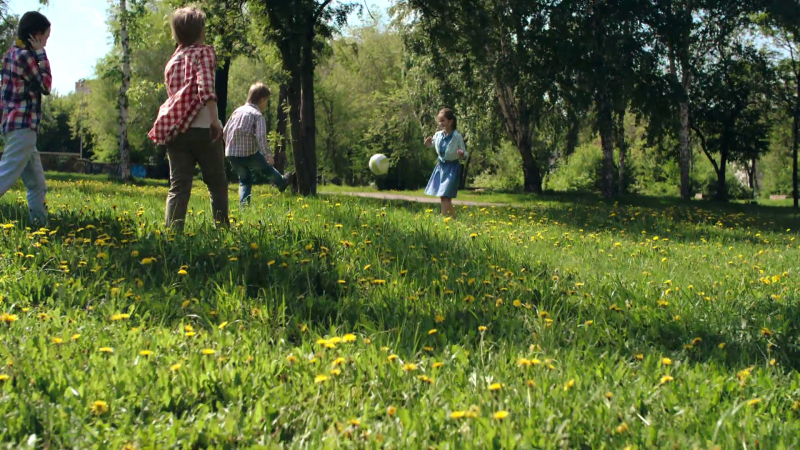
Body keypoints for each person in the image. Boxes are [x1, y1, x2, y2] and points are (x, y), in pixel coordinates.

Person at [148, 6, 228, 230]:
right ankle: (222, 229)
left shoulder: (172, 61)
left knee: (179, 186)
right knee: (216, 183)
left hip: (176, 130)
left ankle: (173, 233)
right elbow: (206, 88)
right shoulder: (204, 52)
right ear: (200, 30)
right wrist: (214, 120)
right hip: (203, 127)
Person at [0, 11, 52, 226]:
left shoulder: (10, 54)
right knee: (6, 175)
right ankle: (40, 223)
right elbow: (46, 85)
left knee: (37, 183)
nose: (46, 42)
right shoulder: (25, 57)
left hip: (13, 126)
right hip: (23, 126)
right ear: (36, 35)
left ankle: (40, 225)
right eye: (46, 38)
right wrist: (41, 54)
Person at [223, 82, 293, 205]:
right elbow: (261, 137)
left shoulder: (237, 111)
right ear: (261, 100)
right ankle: (281, 182)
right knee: (266, 169)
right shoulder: (257, 115)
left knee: (244, 180)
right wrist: (268, 155)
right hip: (248, 153)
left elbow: (224, 131)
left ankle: (244, 205)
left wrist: (229, 146)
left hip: (232, 153)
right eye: (266, 101)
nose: (265, 104)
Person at [423, 108, 467, 218]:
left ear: (450, 121)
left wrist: (462, 154)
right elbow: (432, 144)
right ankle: (453, 219)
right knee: (444, 196)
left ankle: (442, 218)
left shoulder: (457, 137)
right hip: (441, 167)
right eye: (439, 121)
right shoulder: (438, 135)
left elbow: (465, 153)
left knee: (445, 195)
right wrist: (427, 143)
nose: (440, 123)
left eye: (443, 120)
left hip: (452, 167)